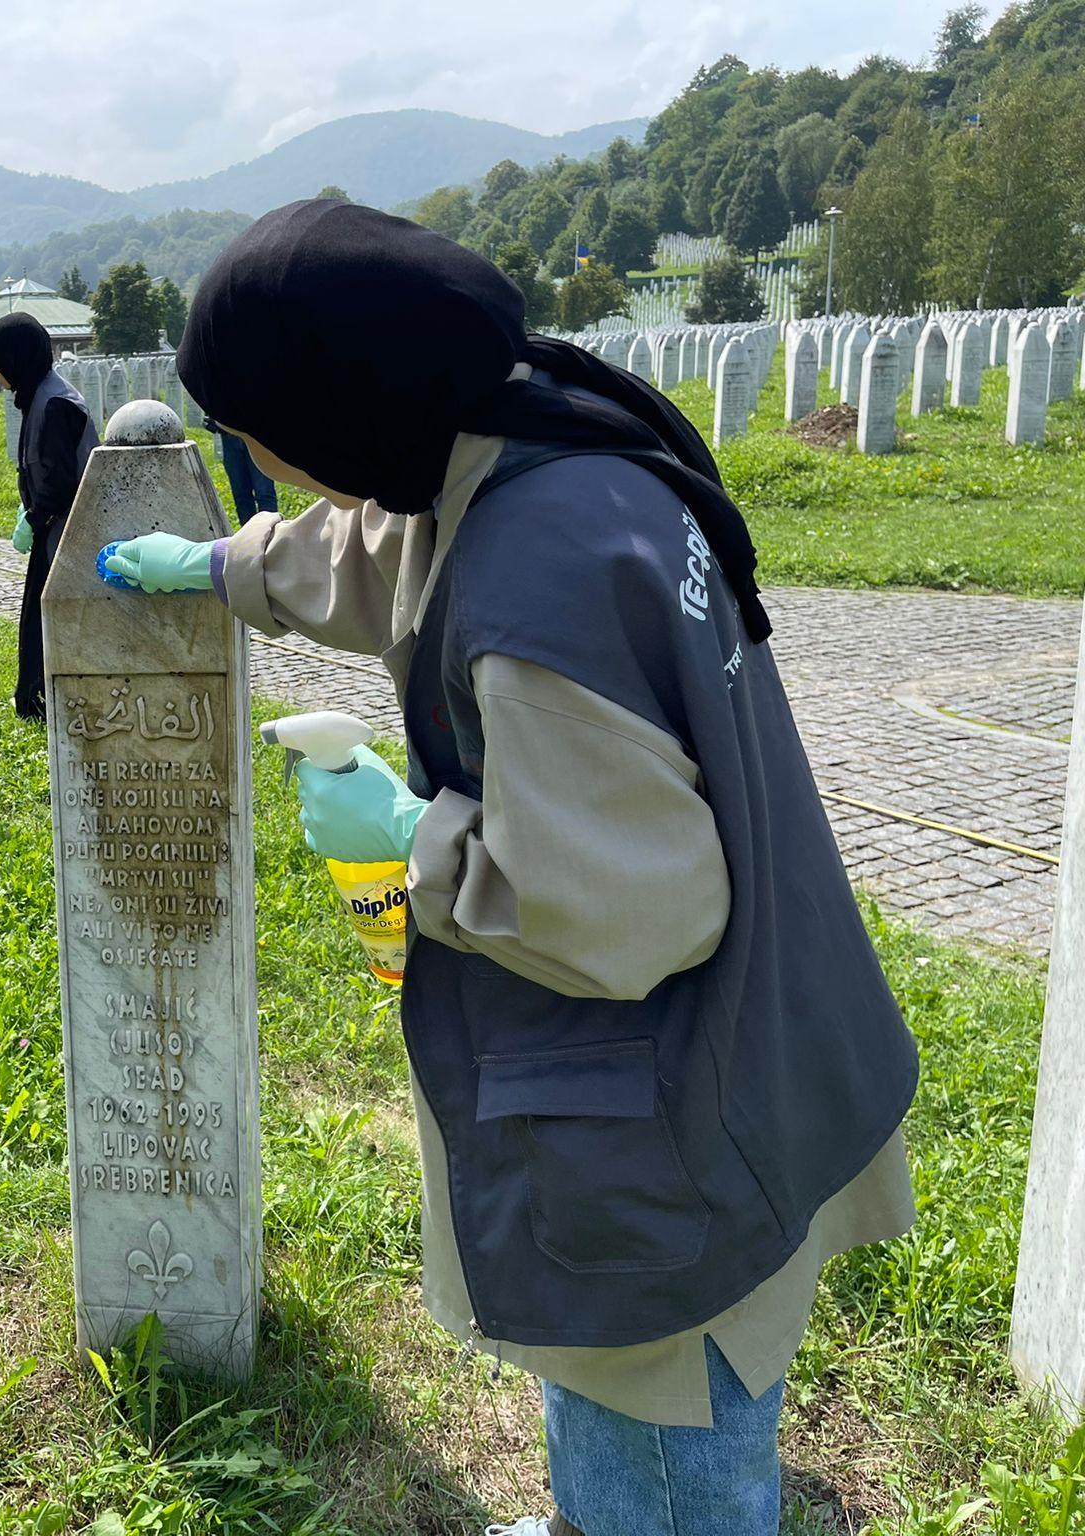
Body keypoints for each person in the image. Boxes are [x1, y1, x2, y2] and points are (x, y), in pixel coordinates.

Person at [100, 201, 919, 1536]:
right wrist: (221, 565)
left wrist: (405, 832)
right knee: (604, 1374)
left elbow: (634, 912)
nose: (252, 457)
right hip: (737, 1042)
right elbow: (385, 549)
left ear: (344, 406)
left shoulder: (533, 594)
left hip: (664, 1094)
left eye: (256, 428)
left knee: (664, 1407)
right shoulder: (533, 436)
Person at [0, 310, 97, 720]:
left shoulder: (55, 405)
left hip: (66, 533)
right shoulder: (40, 395)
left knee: (43, 621)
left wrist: (33, 518)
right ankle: (34, 699)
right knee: (36, 618)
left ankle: (41, 703)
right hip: (53, 529)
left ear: (16, 358)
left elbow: (62, 481)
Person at [204, 411, 277, 524]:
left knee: (264, 492)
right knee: (241, 495)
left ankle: (271, 536)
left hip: (257, 437)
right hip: (230, 436)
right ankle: (247, 536)